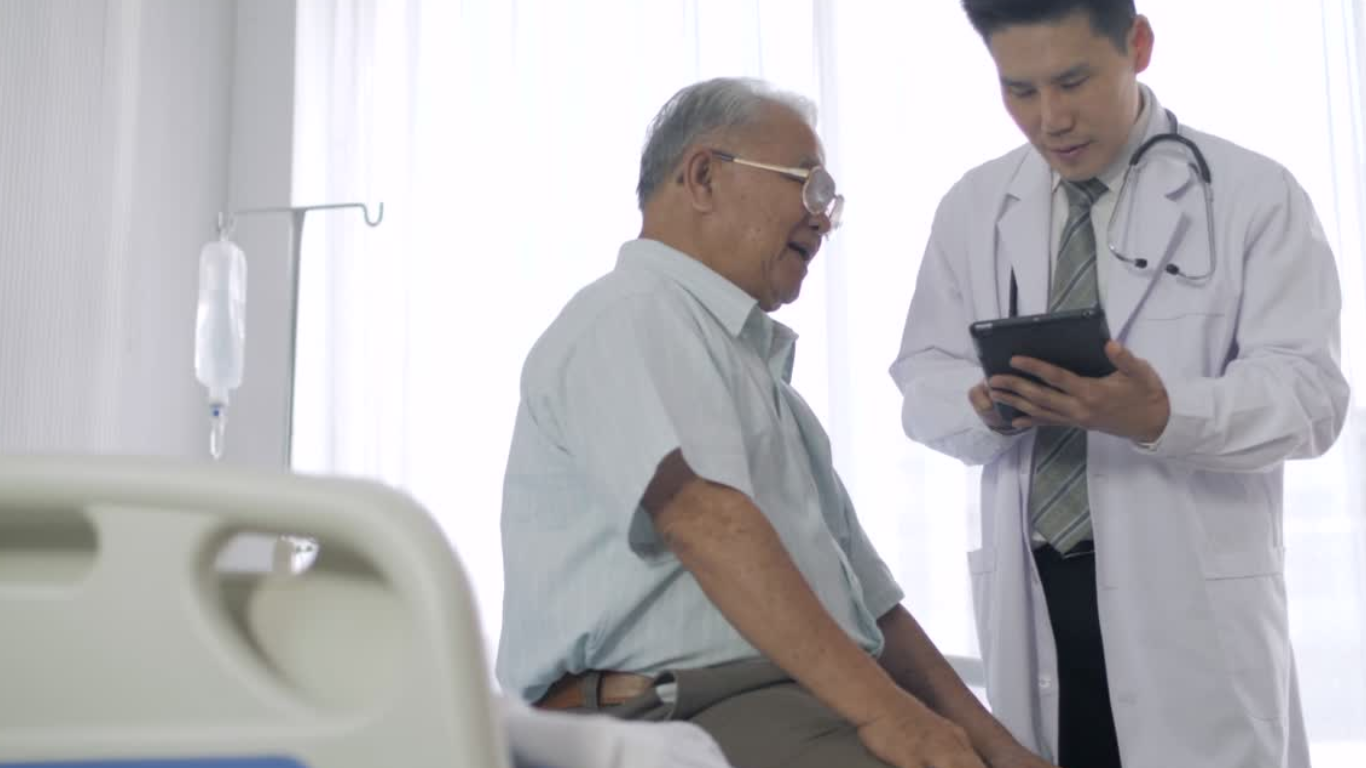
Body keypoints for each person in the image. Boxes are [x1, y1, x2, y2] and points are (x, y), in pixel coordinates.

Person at [498, 76, 1056, 768]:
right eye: (809, 186)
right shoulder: (629, 313)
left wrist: (1002, 750)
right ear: (703, 176)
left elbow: (878, 616)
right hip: (674, 711)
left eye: (831, 201)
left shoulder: (771, 394)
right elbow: (708, 525)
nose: (824, 217)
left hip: (789, 699)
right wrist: (897, 720)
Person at [889, 2, 1351, 767]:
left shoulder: (1251, 195)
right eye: (1020, 91)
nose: (1051, 119)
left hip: (1187, 599)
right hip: (1038, 588)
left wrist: (1165, 413)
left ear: (1136, 45)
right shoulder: (975, 208)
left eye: (1073, 81)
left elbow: (1311, 396)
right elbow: (921, 382)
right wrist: (984, 407)